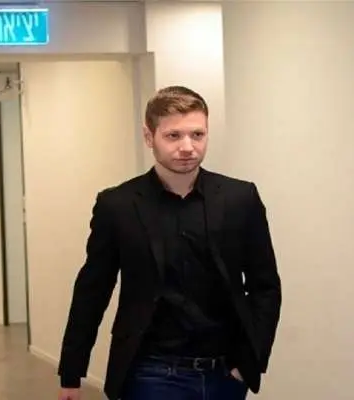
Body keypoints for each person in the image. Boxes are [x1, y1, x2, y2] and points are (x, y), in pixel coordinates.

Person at [57, 86, 282, 400]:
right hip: (151, 371)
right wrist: (72, 371)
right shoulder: (118, 205)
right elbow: (93, 290)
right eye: (173, 136)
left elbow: (265, 285)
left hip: (225, 372)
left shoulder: (240, 198)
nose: (187, 147)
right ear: (149, 137)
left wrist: (251, 360)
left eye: (197, 135)